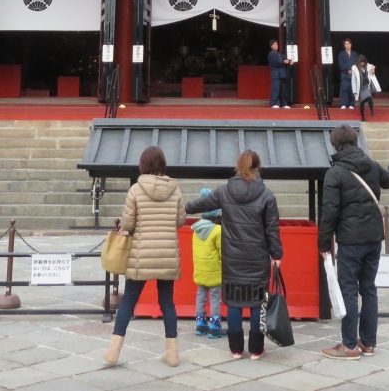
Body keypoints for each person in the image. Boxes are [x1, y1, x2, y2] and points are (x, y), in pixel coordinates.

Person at [186, 150, 282, 359]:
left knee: (234, 302)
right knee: (257, 302)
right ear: (257, 167)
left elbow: (200, 205)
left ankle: (236, 349)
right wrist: (276, 254)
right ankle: (256, 349)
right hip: (257, 258)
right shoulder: (267, 195)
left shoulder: (224, 191)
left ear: (238, 167)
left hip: (232, 260)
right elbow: (272, 229)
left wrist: (181, 207)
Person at [318, 124, 389, 360]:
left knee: (349, 291)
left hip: (350, 239)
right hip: (374, 237)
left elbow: (330, 211)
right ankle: (368, 343)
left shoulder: (335, 173)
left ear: (336, 144)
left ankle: (348, 345)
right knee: (369, 289)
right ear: (355, 142)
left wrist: (323, 244)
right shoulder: (372, 166)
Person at [102, 146, 186, 368]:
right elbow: (180, 221)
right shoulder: (175, 190)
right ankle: (172, 354)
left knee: (129, 300)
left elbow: (128, 224)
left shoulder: (136, 190)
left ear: (143, 165)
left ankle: (113, 350)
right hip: (167, 253)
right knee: (167, 302)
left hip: (141, 253)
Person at [191, 187, 225, 338]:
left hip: (200, 269)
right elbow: (222, 253)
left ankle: (200, 324)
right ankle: (215, 326)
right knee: (215, 297)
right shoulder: (218, 230)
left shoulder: (196, 230)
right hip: (215, 270)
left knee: (201, 295)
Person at [351, 55, 380, 121]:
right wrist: (354, 90)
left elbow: (373, 66)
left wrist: (373, 69)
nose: (362, 63)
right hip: (360, 88)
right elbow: (353, 80)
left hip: (366, 86)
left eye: (363, 62)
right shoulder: (354, 68)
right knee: (362, 102)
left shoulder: (367, 66)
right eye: (361, 62)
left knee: (370, 98)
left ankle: (372, 111)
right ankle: (363, 117)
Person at [267, 39, 292, 109]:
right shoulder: (271, 54)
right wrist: (284, 61)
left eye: (277, 44)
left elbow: (285, 59)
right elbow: (276, 62)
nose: (276, 45)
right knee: (275, 89)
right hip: (275, 73)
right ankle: (274, 103)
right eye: (274, 44)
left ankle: (284, 104)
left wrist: (290, 61)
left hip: (282, 73)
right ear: (271, 46)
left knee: (283, 90)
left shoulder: (280, 54)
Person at [337, 39, 356, 109]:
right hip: (345, 75)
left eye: (348, 44)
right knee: (344, 89)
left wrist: (353, 70)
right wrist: (347, 70)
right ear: (344, 46)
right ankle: (343, 104)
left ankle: (351, 104)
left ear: (351, 44)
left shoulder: (355, 54)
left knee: (352, 90)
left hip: (353, 75)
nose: (347, 45)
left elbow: (357, 63)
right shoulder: (341, 54)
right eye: (346, 44)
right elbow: (341, 64)